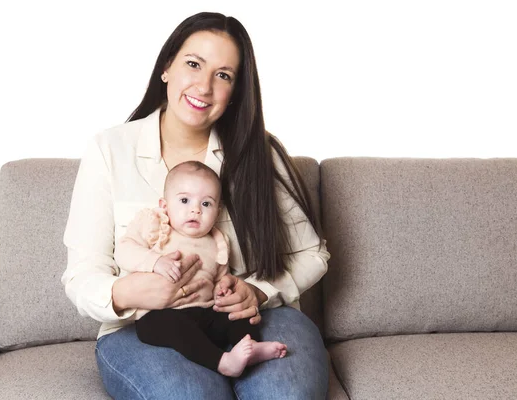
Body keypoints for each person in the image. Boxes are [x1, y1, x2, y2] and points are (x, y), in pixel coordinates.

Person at [61, 11, 330, 399]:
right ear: (166, 68)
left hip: (251, 318)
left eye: (223, 75)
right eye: (193, 64)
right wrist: (128, 292)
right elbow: (81, 275)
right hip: (145, 325)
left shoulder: (258, 154)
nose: (203, 86)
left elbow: (313, 253)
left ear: (235, 90)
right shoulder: (110, 150)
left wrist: (256, 291)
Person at [114, 160, 287, 377]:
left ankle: (249, 346)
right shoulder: (154, 224)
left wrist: (223, 291)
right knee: (175, 327)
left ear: (217, 211)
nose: (195, 209)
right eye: (185, 200)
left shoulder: (217, 240)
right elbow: (124, 250)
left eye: (206, 204)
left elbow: (221, 276)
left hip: (205, 311)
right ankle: (222, 361)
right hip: (159, 315)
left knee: (237, 313)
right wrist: (154, 262)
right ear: (165, 205)